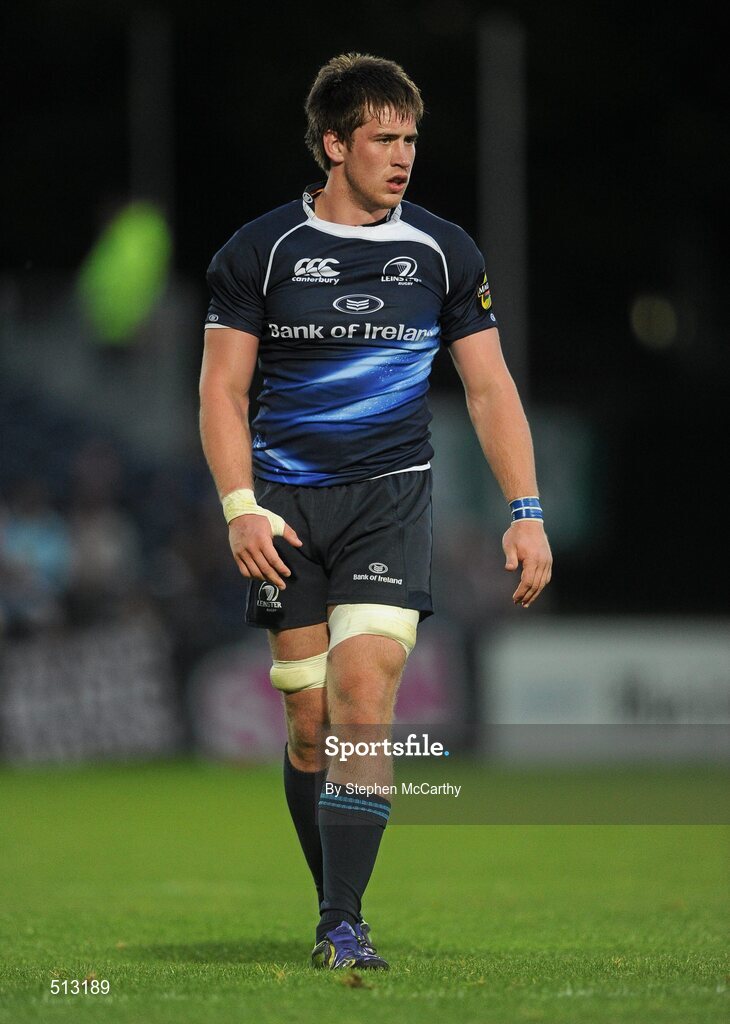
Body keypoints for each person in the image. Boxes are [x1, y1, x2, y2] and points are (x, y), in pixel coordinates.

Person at [199, 52, 552, 971]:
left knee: (363, 703)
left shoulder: (442, 251)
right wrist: (239, 507)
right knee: (308, 725)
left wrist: (525, 509)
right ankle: (335, 902)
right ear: (332, 143)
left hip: (391, 505)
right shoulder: (260, 250)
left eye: (410, 140)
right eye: (382, 139)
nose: (402, 157)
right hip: (283, 514)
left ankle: (341, 924)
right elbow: (222, 393)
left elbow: (488, 388)